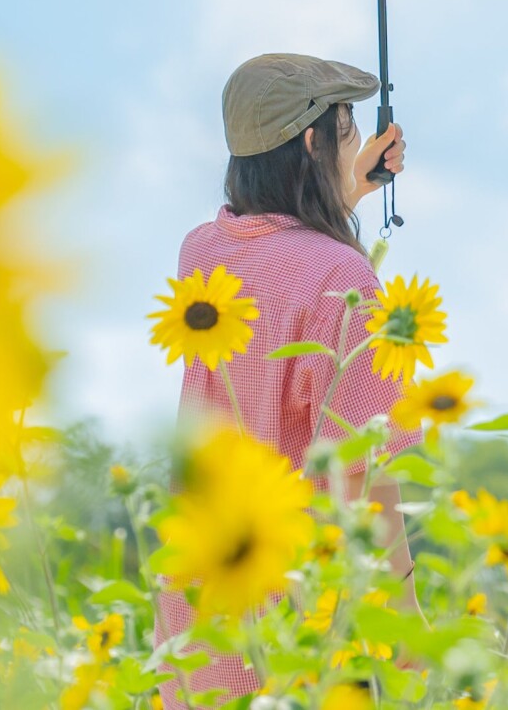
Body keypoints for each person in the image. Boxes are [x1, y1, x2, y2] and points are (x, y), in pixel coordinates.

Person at [155, 52, 415, 701]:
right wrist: (409, 650)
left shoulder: (201, 251)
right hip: (292, 640)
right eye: (345, 129)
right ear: (310, 141)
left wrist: (349, 185)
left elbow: (279, 258)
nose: (353, 142)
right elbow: (366, 477)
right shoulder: (346, 280)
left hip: (196, 625)